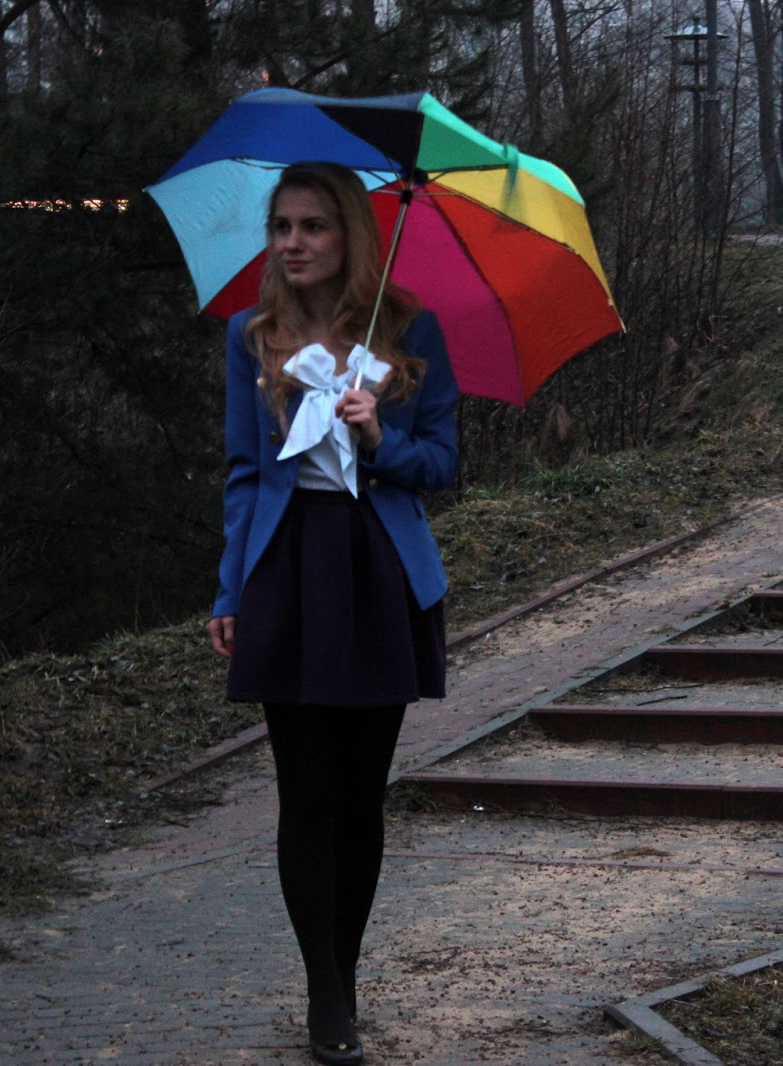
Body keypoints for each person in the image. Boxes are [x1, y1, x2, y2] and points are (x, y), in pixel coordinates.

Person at [208, 161, 458, 1066]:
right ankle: (325, 994)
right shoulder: (252, 338)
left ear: (351, 234)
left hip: (378, 570)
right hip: (287, 570)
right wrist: (230, 588)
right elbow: (245, 475)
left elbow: (442, 464)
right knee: (305, 794)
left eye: (313, 226)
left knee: (358, 796)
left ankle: (343, 977)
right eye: (282, 227)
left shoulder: (410, 331)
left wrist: (379, 436)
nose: (293, 243)